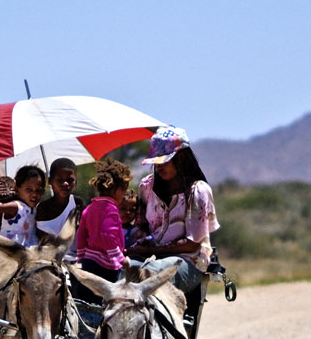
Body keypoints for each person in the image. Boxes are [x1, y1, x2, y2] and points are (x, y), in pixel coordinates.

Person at [126, 126, 220, 294]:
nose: (158, 166)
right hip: (150, 257)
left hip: (189, 261)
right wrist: (140, 237)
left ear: (181, 158)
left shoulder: (198, 191)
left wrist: (150, 250)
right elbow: (141, 225)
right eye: (155, 161)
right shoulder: (146, 187)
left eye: (163, 161)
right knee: (122, 270)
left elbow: (192, 244)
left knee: (151, 273)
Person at [74, 157, 132, 302]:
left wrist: (81, 256)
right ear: (117, 190)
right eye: (124, 190)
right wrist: (120, 258)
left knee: (86, 299)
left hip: (89, 262)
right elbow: (107, 235)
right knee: (105, 301)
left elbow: (81, 233)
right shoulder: (111, 210)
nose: (124, 195)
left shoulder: (90, 208)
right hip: (106, 265)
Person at [0, 166, 46, 247]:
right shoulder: (16, 206)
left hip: (27, 249)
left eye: (39, 190)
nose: (34, 194)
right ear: (17, 189)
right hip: (10, 250)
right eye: (29, 189)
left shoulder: (35, 209)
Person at [36, 158, 85, 263]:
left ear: (75, 182)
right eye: (60, 180)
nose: (66, 183)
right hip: (50, 261)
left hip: (76, 260)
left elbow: (84, 233)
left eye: (70, 180)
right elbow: (43, 241)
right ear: (50, 182)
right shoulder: (43, 208)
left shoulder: (78, 203)